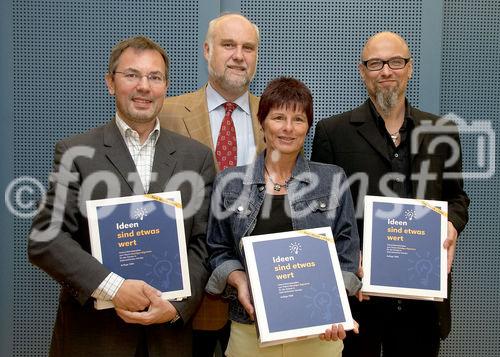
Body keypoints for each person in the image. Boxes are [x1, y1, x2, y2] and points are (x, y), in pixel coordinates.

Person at [28, 36, 215, 357]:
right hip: (95, 338)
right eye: (132, 75)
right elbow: (46, 239)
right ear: (110, 83)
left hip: (167, 340)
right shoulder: (76, 153)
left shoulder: (195, 157)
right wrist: (114, 288)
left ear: (165, 87)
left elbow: (202, 244)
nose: (144, 86)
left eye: (154, 77)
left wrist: (176, 307)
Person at [311, 31, 470, 357]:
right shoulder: (333, 133)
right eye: (375, 64)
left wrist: (452, 224)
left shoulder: (441, 132)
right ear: (362, 71)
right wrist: (345, 254)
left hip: (423, 303)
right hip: (360, 299)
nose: (386, 71)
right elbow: (319, 211)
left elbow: (457, 198)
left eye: (396, 62)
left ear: (409, 68)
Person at [206, 77, 361, 357]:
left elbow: (347, 256)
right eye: (278, 117)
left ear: (307, 128)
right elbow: (217, 249)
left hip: (319, 333)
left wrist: (334, 305)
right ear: (262, 122)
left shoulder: (332, 179)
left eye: (298, 119)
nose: (288, 128)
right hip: (249, 330)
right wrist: (240, 281)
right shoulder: (229, 183)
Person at [158, 13, 265, 356]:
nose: (239, 55)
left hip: (257, 295)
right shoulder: (167, 113)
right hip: (188, 292)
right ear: (207, 50)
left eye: (248, 47)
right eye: (228, 45)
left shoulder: (276, 118)